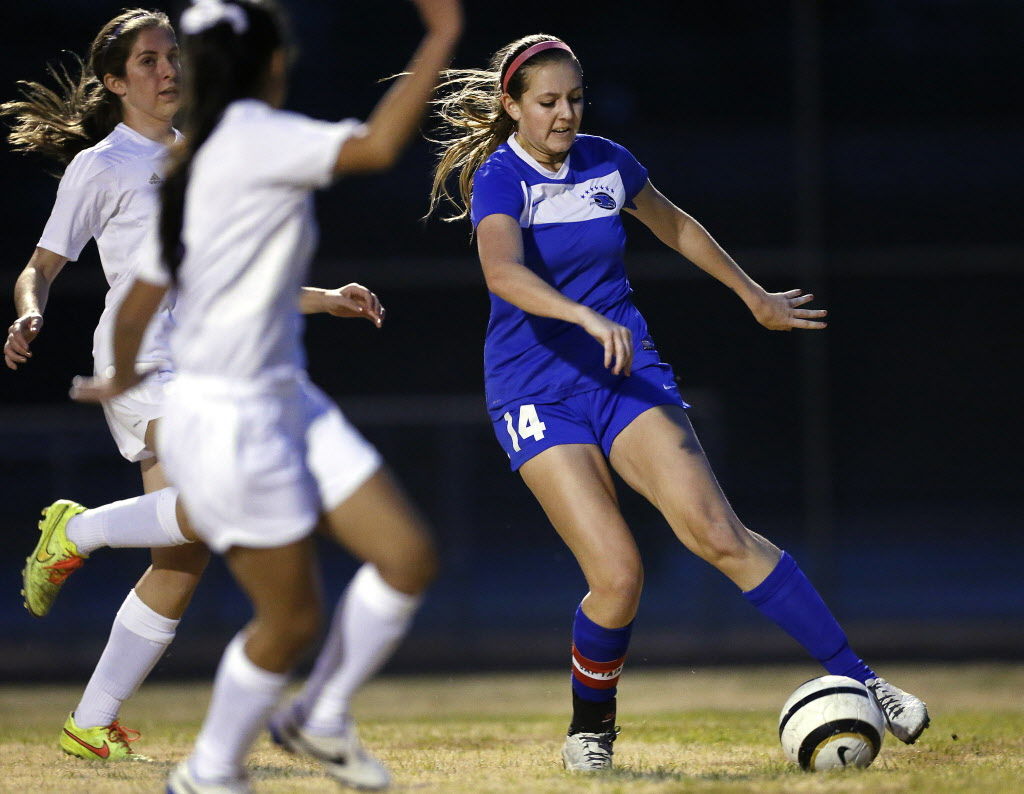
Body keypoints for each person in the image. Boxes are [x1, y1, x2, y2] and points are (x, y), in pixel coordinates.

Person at [426, 33, 930, 771]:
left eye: (574, 98)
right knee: (618, 575)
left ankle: (866, 680)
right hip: (533, 386)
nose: (564, 114)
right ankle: (590, 732)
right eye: (547, 102)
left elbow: (677, 224)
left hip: (623, 371)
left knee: (717, 532)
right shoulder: (500, 179)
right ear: (511, 105)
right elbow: (502, 273)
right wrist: (582, 316)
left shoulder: (607, 161)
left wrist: (752, 294)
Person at [72, 0, 463, 791]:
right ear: (269, 65)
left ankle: (315, 717)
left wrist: (117, 370)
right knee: (288, 620)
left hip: (287, 396)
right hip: (231, 416)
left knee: (407, 558)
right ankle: (209, 768)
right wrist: (443, 35)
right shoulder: (246, 135)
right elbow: (381, 144)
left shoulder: (196, 156)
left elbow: (144, 300)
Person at [4, 8, 389, 764]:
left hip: (206, 360)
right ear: (115, 83)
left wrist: (327, 298)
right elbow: (41, 266)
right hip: (143, 361)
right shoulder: (101, 166)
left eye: (171, 55)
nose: (167, 70)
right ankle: (74, 531)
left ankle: (89, 721)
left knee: (184, 554)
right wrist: (26, 314)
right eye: (146, 61)